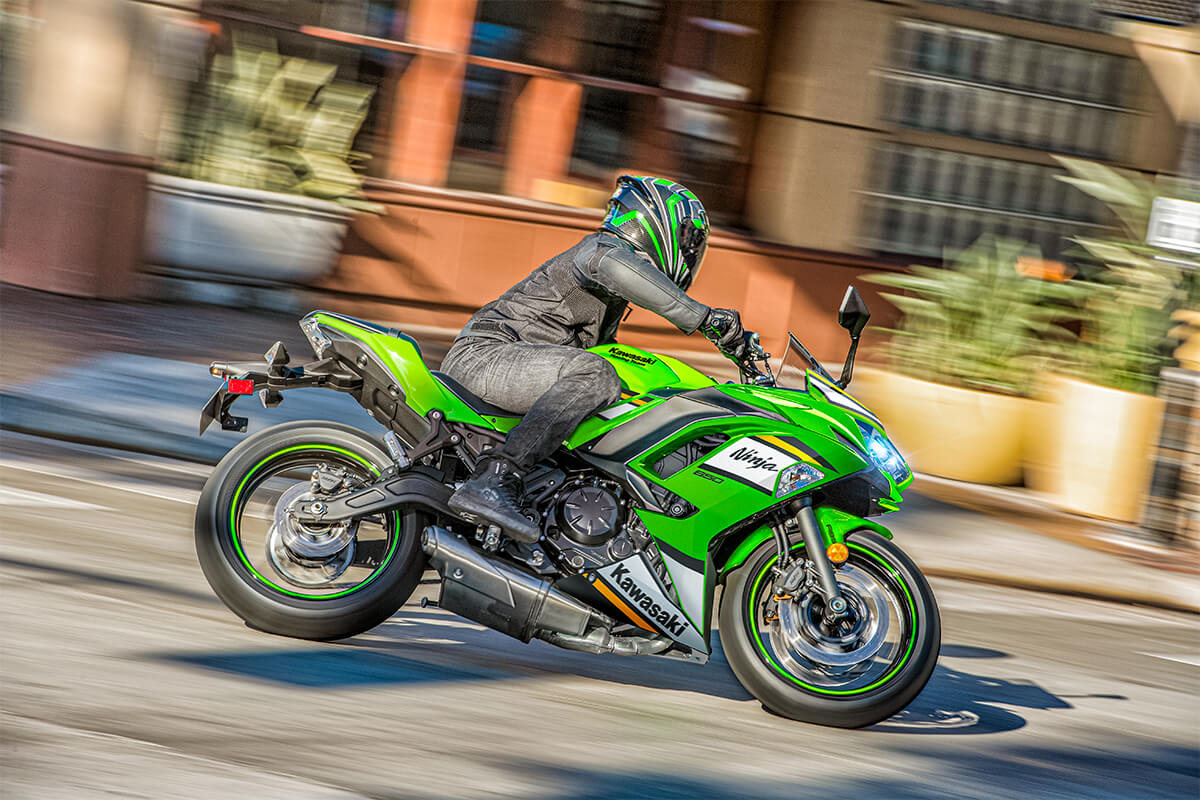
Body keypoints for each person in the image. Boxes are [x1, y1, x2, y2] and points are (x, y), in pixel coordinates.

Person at [442, 175, 753, 542]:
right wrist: (706, 318)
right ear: (654, 222)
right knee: (596, 375)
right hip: (485, 356)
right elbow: (613, 266)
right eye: (688, 239)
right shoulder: (601, 251)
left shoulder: (610, 298)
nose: (690, 251)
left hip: (509, 365)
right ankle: (496, 479)